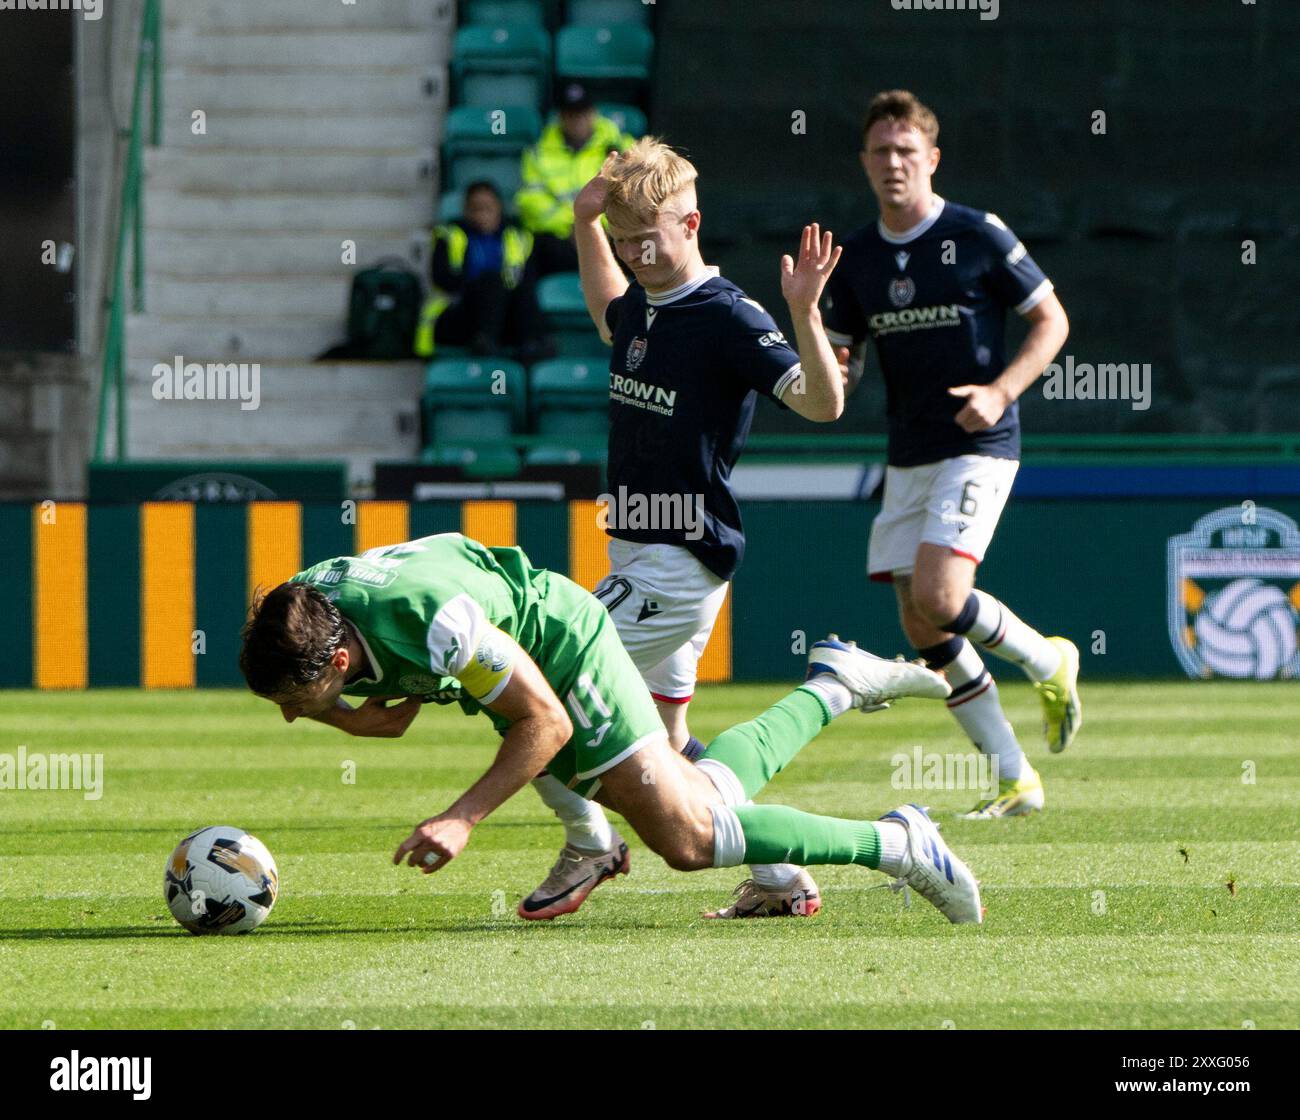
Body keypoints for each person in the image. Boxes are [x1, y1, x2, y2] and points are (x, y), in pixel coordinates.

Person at [238, 532, 983, 927]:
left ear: (338, 656)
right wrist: (344, 713)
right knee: (694, 794)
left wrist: (461, 819)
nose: (290, 715)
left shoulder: (432, 624)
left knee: (688, 840)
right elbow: (361, 700)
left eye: (300, 698)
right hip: (508, 656)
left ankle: (897, 844)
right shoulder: (307, 606)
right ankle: (834, 682)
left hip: (564, 651)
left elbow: (544, 723)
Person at [516, 136, 850, 921]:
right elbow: (607, 313)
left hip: (677, 560)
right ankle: (781, 878)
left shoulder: (729, 314)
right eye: (626, 239)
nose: (636, 252)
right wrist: (585, 223)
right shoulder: (644, 301)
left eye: (649, 236)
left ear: (692, 222)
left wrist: (805, 312)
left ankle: (590, 842)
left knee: (538, 691)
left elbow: (821, 404)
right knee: (667, 748)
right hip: (638, 547)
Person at [821, 90, 1081, 819]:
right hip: (909, 451)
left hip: (979, 442)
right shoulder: (858, 257)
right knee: (921, 623)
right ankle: (1015, 777)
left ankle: (1048, 659)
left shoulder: (977, 234)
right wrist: (838, 371)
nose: (894, 163)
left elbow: (1051, 320)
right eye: (881, 151)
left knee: (940, 595)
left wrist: (1001, 391)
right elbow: (847, 356)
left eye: (907, 151)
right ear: (865, 163)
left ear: (932, 159)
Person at [414, 180, 546, 360]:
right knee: (491, 281)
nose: (482, 215)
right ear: (466, 211)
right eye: (476, 208)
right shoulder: (450, 236)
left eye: (488, 208)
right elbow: (442, 279)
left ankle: (531, 345)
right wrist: (482, 284)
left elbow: (526, 279)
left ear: (499, 208)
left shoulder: (518, 238)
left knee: (521, 292)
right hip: (460, 312)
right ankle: (485, 342)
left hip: (505, 312)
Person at [515, 82, 636, 276]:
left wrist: (596, 225)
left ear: (593, 113)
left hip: (611, 233)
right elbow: (530, 203)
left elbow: (634, 195)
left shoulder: (621, 147)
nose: (577, 120)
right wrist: (576, 224)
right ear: (560, 116)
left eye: (582, 112)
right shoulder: (538, 153)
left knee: (638, 250)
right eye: (570, 114)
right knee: (535, 256)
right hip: (561, 237)